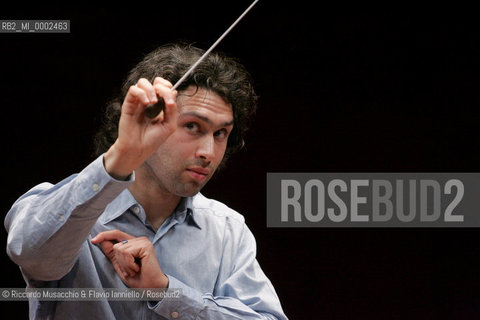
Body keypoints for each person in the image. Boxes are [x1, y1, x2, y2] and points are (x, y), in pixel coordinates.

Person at [5, 43, 288, 320]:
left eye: (220, 134)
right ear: (147, 119)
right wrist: (123, 154)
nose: (208, 152)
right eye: (192, 126)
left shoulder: (228, 230)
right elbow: (29, 252)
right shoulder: (60, 205)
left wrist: (166, 291)